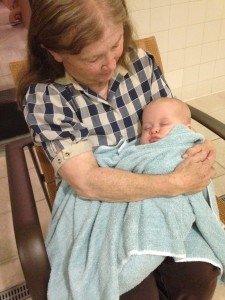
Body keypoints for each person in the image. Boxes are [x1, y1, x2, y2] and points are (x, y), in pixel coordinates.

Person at [17, 0, 218, 299]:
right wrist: (175, 183)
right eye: (92, 57)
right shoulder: (46, 97)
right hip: (102, 204)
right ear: (54, 51)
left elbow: (173, 122)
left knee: (199, 274)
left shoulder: (139, 62)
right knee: (134, 291)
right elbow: (86, 181)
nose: (110, 64)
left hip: (159, 191)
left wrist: (196, 146)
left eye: (115, 45)